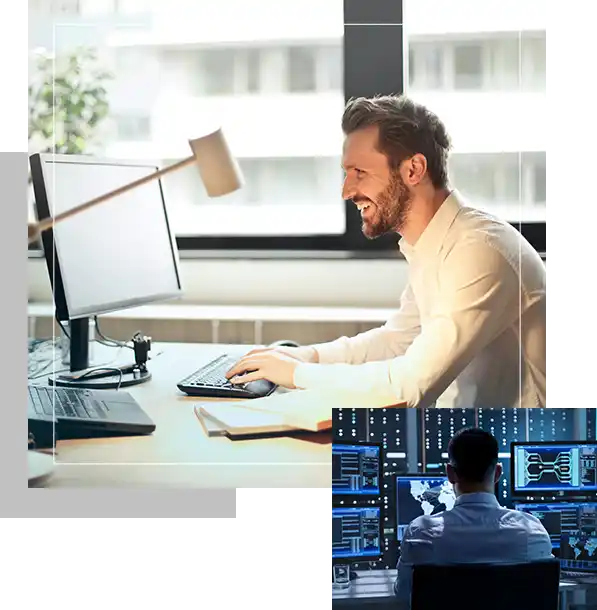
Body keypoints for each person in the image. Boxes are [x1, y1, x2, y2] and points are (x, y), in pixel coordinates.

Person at [225, 94, 549, 408]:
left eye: (360, 173)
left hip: (518, 449)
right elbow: (397, 341)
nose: (346, 190)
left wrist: (297, 374)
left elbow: (409, 387)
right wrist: (308, 357)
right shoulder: (435, 244)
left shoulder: (479, 252)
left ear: (413, 170)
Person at [393, 427, 553, 607]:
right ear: (498, 473)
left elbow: (404, 594)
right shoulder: (533, 531)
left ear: (450, 473)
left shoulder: (421, 532)